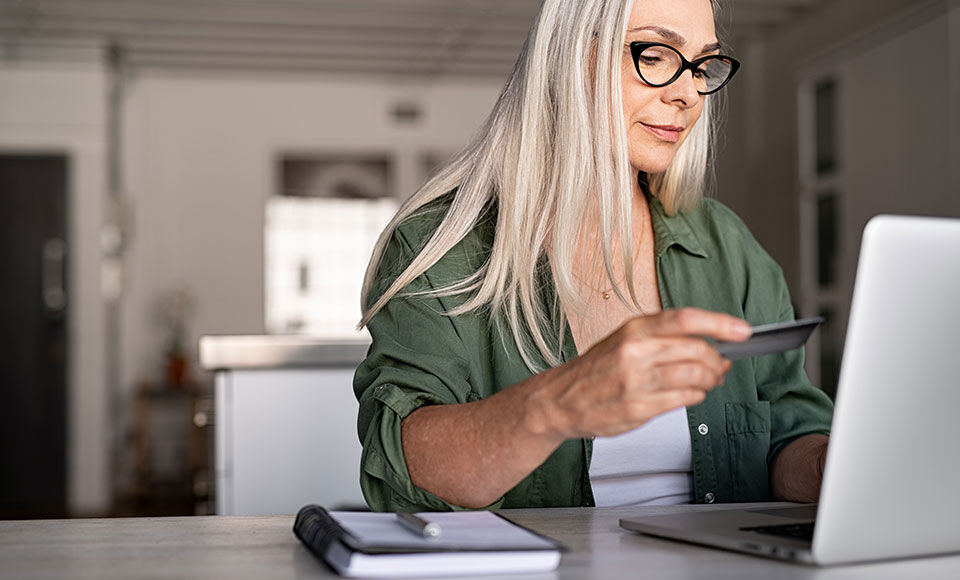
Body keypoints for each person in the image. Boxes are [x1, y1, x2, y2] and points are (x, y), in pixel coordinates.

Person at [353, 0, 832, 512]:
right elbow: (402, 473)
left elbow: (789, 432)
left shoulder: (725, 244)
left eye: (702, 66)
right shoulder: (439, 247)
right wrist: (560, 403)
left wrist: (834, 467)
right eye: (655, 56)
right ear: (569, 58)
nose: (689, 94)